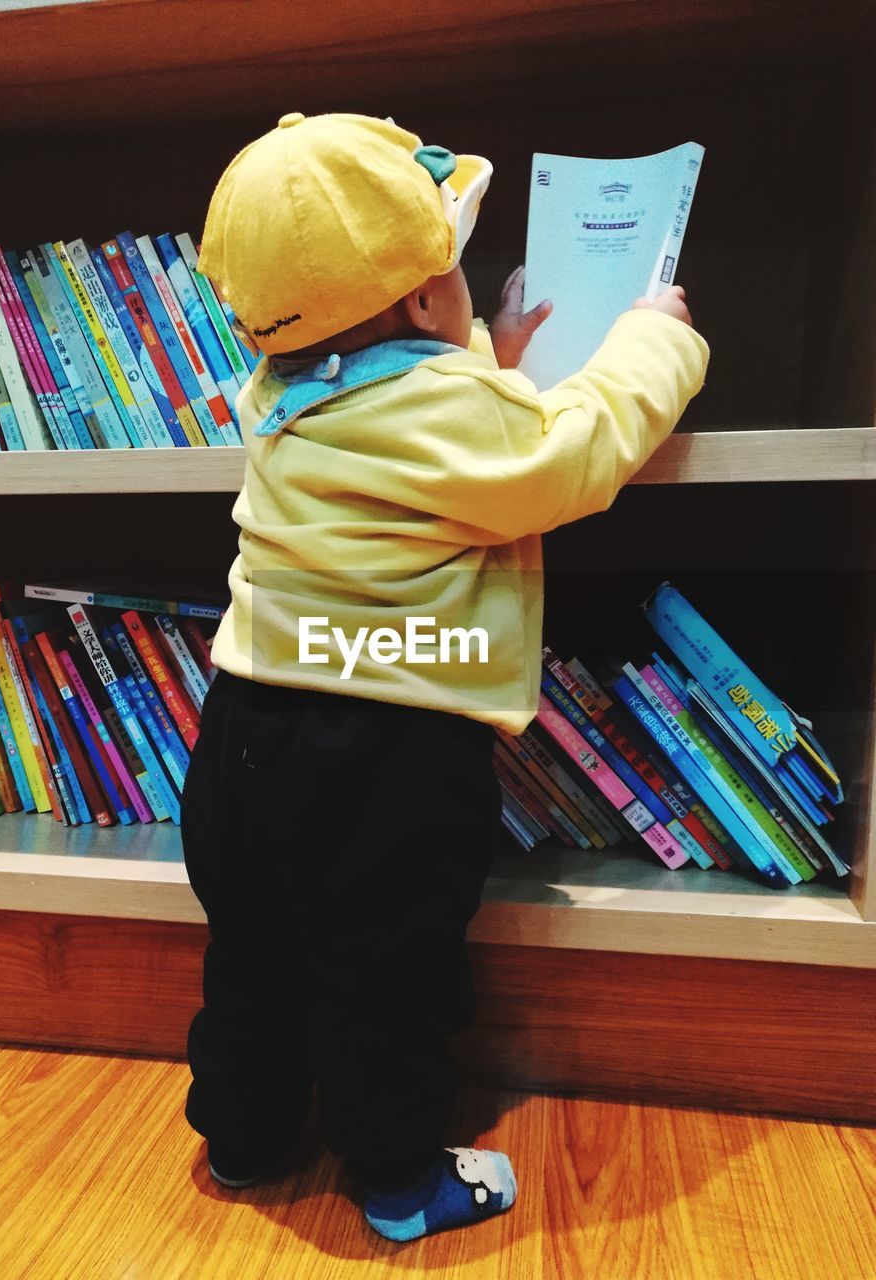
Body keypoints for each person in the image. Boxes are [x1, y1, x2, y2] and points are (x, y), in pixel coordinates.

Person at [181, 111, 709, 1243]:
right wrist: (652, 340)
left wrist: (484, 355)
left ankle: (242, 1135)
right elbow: (560, 453)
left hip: (243, 728)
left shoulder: (274, 389)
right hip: (381, 748)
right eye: (453, 278)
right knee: (389, 973)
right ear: (426, 303)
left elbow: (391, 404)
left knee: (257, 953)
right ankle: (400, 1175)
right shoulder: (447, 414)